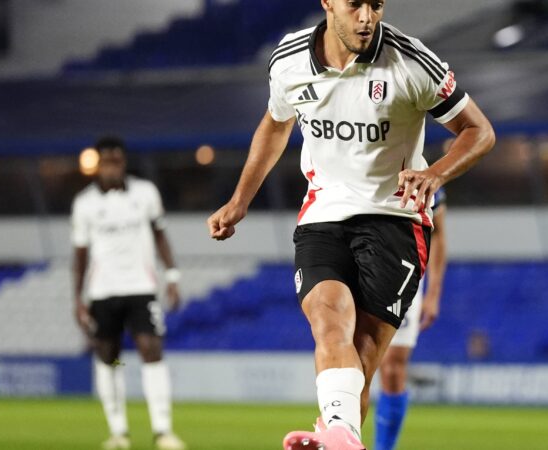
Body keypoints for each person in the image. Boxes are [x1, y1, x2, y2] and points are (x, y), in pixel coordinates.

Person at [206, 0, 495, 448]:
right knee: (327, 319)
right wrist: (240, 199)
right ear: (327, 3)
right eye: (354, 4)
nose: (366, 17)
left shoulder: (411, 62)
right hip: (322, 216)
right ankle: (340, 435)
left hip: (394, 219)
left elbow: (479, 131)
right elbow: (275, 124)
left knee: (361, 358)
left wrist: (434, 174)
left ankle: (337, 433)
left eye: (375, 4)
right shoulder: (288, 60)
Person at [72, 136, 187, 450]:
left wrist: (172, 275)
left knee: (152, 349)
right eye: (106, 160)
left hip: (141, 287)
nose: (112, 166)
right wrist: (78, 299)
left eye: (117, 160)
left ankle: (163, 431)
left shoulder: (145, 193)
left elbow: (160, 234)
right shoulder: (84, 204)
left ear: (124, 162)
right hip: (102, 291)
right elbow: (80, 255)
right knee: (108, 358)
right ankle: (119, 432)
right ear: (98, 164)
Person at [374, 185, 446, 450]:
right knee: (352, 361)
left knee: (392, 365)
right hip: (357, 266)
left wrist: (433, 292)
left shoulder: (423, 173)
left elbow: (437, 234)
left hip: (405, 275)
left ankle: (384, 447)